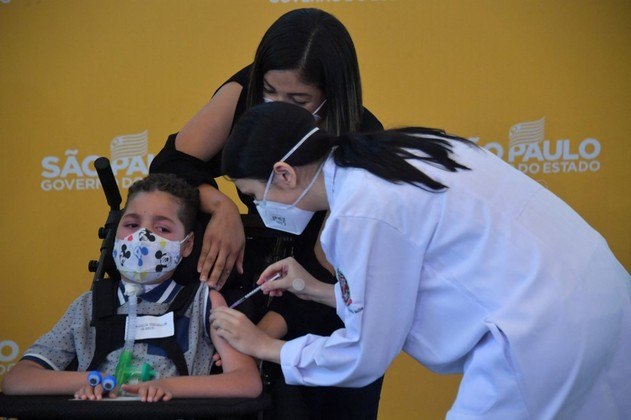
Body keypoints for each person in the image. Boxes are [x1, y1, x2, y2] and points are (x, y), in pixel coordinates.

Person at [209, 101, 631, 419]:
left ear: (284, 173)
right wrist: (316, 290)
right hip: (603, 296)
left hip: (541, 334)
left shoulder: (361, 208)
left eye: (255, 196)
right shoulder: (401, 151)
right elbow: (410, 284)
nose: (260, 207)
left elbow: (364, 354)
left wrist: (266, 346)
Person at [150, 8, 384, 419]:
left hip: (326, 301)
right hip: (260, 272)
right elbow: (172, 164)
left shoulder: (362, 148)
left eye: (299, 100)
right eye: (270, 92)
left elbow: (341, 280)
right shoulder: (244, 90)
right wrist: (220, 206)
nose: (278, 108)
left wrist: (262, 336)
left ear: (334, 97)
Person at [1, 173, 262, 402]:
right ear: (116, 234)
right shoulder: (89, 306)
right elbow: (17, 380)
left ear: (187, 245)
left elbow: (245, 382)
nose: (142, 237)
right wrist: (91, 381)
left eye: (162, 228)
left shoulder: (204, 302)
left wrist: (166, 386)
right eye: (132, 225)